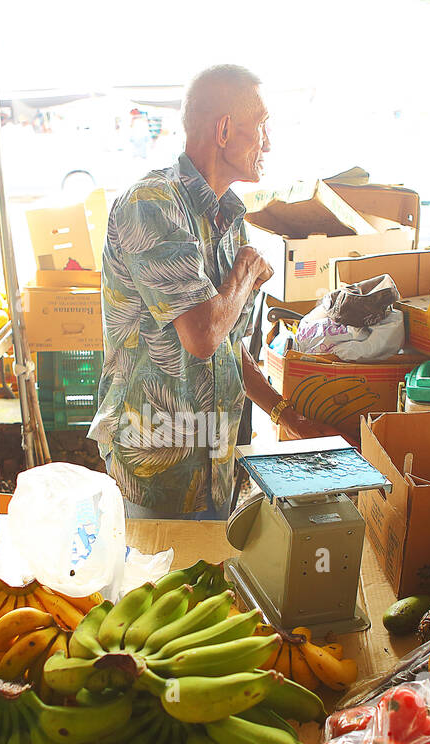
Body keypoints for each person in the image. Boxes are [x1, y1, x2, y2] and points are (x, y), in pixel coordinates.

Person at [88, 64, 327, 521]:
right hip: (157, 472)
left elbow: (228, 347)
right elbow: (203, 336)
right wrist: (242, 273)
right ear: (223, 130)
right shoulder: (153, 203)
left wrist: (287, 416)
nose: (269, 142)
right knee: (156, 587)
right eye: (261, 126)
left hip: (216, 464)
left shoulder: (228, 217)